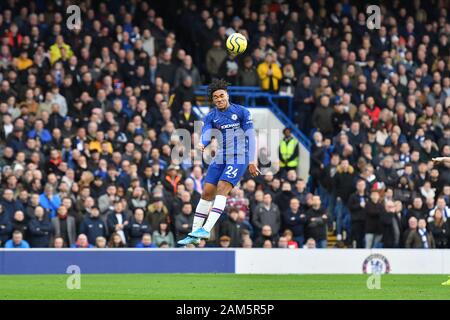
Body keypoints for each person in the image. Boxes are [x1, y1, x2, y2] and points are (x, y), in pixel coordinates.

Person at [178, 79, 259, 245]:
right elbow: (207, 131)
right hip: (221, 156)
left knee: (222, 188)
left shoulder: (242, 112)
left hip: (239, 156)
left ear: (227, 95)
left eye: (222, 95)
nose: (219, 99)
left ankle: (206, 229)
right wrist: (202, 142)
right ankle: (194, 233)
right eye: (216, 97)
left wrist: (252, 160)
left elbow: (250, 136)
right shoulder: (211, 116)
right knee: (207, 192)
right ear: (213, 100)